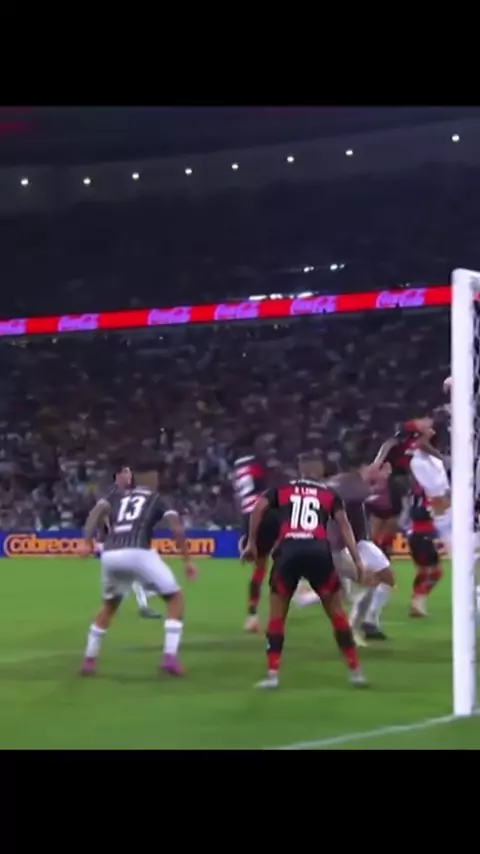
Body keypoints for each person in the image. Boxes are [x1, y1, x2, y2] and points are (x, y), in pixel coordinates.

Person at [241, 451, 377, 690]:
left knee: (277, 617)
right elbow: (344, 526)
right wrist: (357, 560)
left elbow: (258, 509)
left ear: (301, 470)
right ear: (320, 470)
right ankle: (356, 672)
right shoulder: (329, 494)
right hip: (319, 552)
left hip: (288, 553)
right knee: (336, 614)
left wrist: (251, 543)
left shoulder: (282, 490)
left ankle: (272, 675)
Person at [79, 460, 196, 677]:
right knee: (175, 598)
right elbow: (176, 529)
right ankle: (169, 657)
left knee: (109, 606)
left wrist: (86, 540)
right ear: (151, 478)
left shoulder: (117, 496)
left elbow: (96, 512)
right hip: (138, 552)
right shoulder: (158, 498)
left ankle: (89, 659)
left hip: (110, 555)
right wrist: (187, 561)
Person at [294, 462, 395, 645]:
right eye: (382, 470)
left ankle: (366, 621)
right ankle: (355, 627)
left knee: (384, 579)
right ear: (364, 468)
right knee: (359, 585)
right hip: (336, 547)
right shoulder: (346, 486)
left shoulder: (353, 485)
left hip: (359, 542)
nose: (386, 475)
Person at [94, 463, 162, 619]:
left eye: (129, 472)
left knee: (133, 575)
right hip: (117, 543)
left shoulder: (130, 495)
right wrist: (106, 532)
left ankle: (144, 599)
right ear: (117, 476)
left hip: (127, 542)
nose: (129, 476)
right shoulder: (112, 496)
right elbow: (102, 517)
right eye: (125, 472)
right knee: (131, 575)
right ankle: (145, 599)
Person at [232, 440, 279, 632]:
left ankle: (252, 616)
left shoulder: (237, 469)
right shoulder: (259, 462)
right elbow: (270, 486)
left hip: (247, 517)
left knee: (259, 570)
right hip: (264, 511)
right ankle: (301, 587)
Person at [408, 478, 443, 617]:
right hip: (425, 535)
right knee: (435, 573)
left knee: (423, 572)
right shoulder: (427, 490)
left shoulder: (416, 489)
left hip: (416, 534)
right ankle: (418, 600)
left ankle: (417, 602)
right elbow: (421, 512)